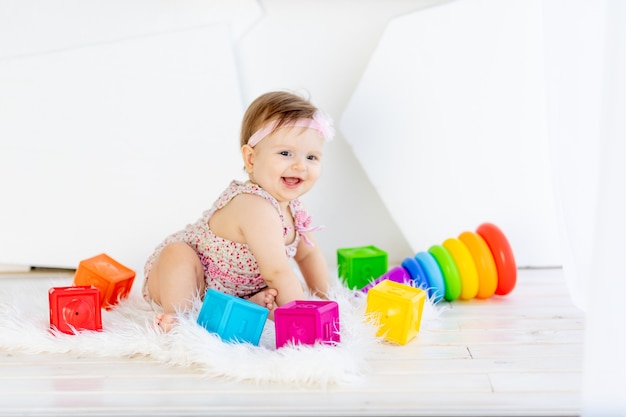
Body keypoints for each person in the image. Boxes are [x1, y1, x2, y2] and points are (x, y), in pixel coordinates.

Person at [143, 91, 334, 331]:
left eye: (311, 157)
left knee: (274, 294)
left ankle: (240, 305)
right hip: (188, 279)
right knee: (178, 255)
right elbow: (277, 271)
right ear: (251, 158)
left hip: (237, 288)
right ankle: (179, 317)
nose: (300, 165)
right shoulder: (254, 206)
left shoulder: (294, 207)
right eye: (285, 153)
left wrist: (326, 299)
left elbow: (307, 255)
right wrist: (304, 320)